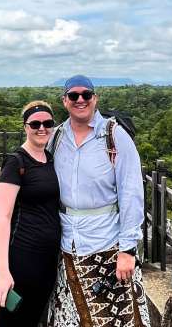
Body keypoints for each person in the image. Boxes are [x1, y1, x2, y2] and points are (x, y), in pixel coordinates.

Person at [49, 75, 151, 327]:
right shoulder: (57, 137)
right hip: (67, 244)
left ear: (95, 99)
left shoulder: (115, 137)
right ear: (65, 101)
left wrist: (128, 250)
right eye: (74, 96)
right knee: (72, 318)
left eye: (86, 95)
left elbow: (132, 194)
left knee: (119, 318)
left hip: (107, 242)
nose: (80, 100)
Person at [0, 100, 62, 326]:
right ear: (25, 127)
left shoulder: (50, 159)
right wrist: (3, 272)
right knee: (13, 320)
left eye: (47, 123)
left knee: (33, 317)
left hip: (46, 257)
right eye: (35, 124)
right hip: (20, 256)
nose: (42, 128)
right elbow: (2, 217)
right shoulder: (16, 163)